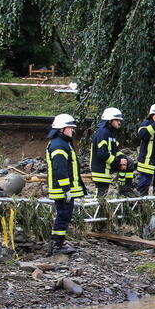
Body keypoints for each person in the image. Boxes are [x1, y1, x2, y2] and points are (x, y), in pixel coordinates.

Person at [45, 113, 87, 255]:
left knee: (64, 216)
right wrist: (66, 189)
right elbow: (60, 170)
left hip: (63, 189)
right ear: (61, 129)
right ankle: (57, 245)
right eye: (70, 128)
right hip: (62, 190)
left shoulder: (62, 143)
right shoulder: (59, 145)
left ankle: (58, 243)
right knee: (63, 216)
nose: (72, 131)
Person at [89, 107, 134, 197]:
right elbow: (102, 153)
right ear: (109, 120)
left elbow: (116, 151)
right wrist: (118, 162)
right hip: (100, 169)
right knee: (101, 196)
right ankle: (100, 210)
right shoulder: (102, 133)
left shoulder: (110, 134)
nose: (119, 122)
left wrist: (123, 159)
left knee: (129, 162)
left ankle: (125, 190)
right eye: (117, 120)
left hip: (107, 166)